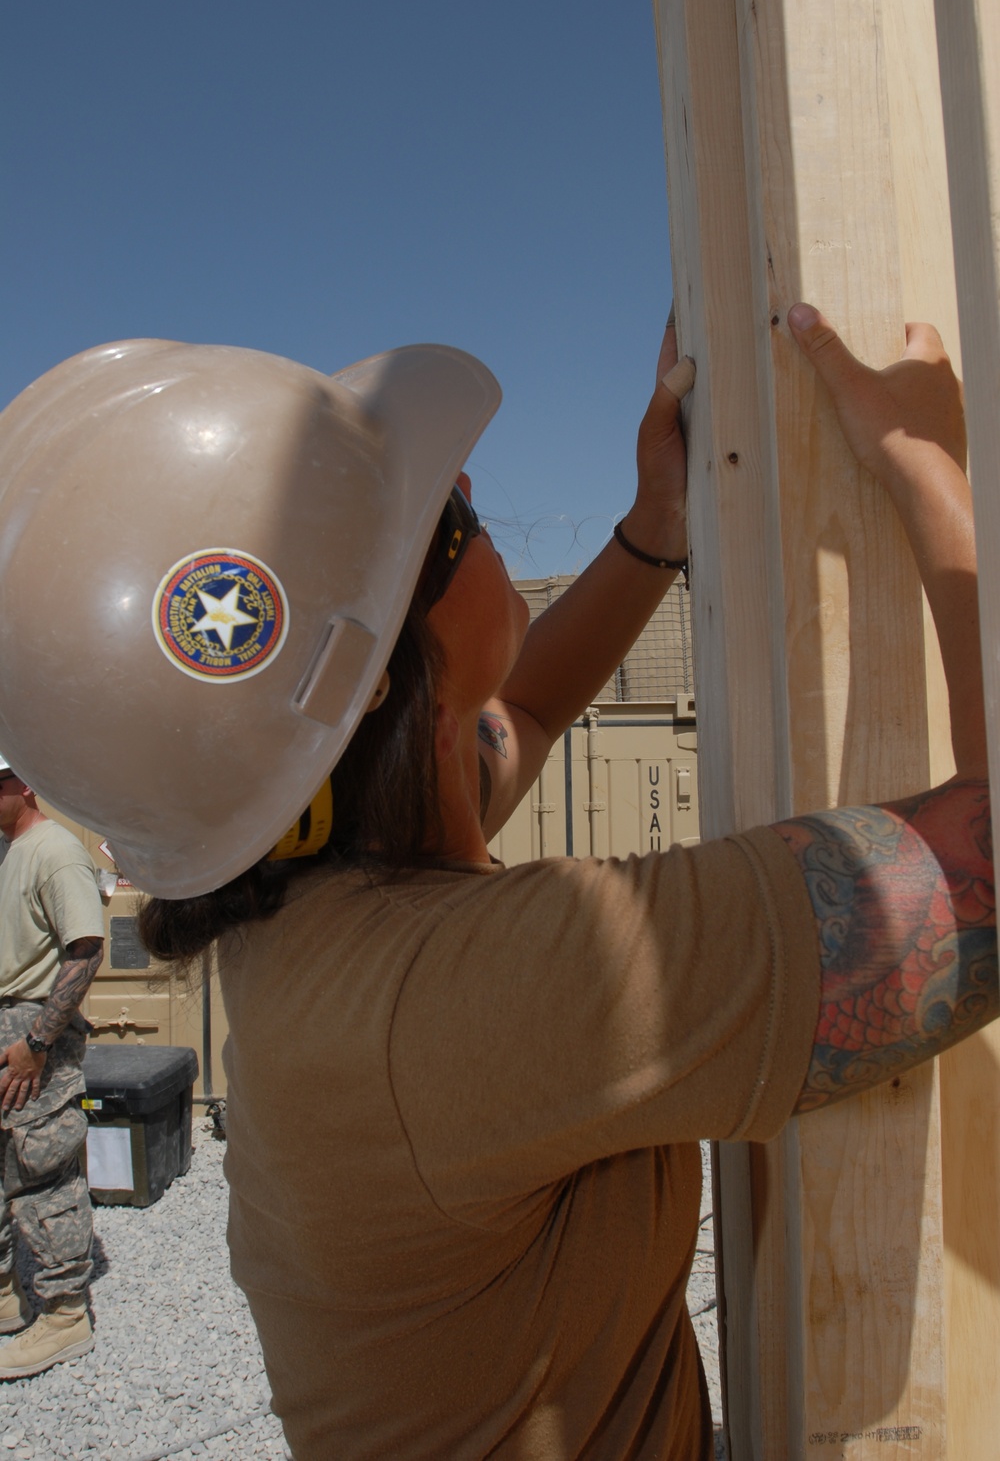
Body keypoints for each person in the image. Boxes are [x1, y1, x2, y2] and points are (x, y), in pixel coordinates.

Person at [0, 304, 991, 1455]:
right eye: (445, 515)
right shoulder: (488, 987)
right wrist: (927, 472)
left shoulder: (311, 890)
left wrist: (650, 533)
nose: (466, 483)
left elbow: (506, 719)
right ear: (374, 670)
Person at [0, 759, 103, 1379]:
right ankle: (7, 1297)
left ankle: (66, 1316)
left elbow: (85, 951)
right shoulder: (8, 851)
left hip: (32, 1035)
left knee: (44, 1170)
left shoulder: (56, 851)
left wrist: (37, 1043)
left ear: (25, 784)